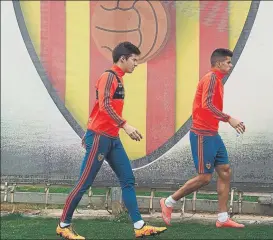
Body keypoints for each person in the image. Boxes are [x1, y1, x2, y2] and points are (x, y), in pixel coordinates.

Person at [56, 42, 167, 239]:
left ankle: (139, 226)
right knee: (84, 182)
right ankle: (64, 225)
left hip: (111, 138)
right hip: (100, 137)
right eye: (134, 59)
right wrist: (124, 125)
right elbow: (105, 105)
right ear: (123, 58)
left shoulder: (119, 78)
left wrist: (110, 128)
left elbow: (100, 108)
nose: (136, 64)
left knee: (127, 180)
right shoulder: (108, 76)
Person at [160, 48, 246, 228]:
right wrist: (229, 118)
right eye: (228, 62)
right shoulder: (211, 78)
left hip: (212, 134)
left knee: (225, 170)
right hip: (202, 134)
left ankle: (222, 218)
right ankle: (168, 202)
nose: (231, 65)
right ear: (219, 63)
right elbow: (207, 105)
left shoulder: (218, 80)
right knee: (204, 178)